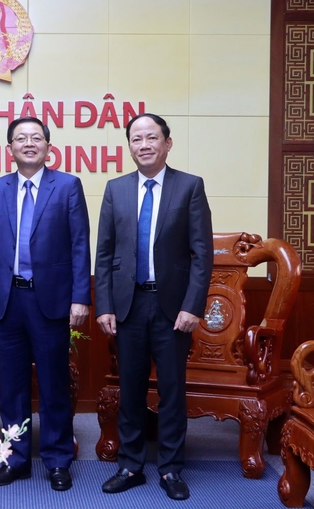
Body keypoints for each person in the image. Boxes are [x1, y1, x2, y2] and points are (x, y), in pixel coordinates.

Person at [94, 113, 213, 501]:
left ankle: (171, 468)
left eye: (151, 138)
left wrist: (193, 305)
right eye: (136, 139)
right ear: (128, 145)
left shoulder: (189, 187)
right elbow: (105, 253)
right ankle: (130, 465)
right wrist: (104, 304)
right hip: (128, 305)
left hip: (172, 307)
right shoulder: (115, 189)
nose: (143, 145)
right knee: (129, 389)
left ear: (167, 143)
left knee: (172, 390)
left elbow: (202, 254)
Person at [0, 116, 91, 492]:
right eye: (20, 138)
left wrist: (80, 298)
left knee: (54, 384)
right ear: (9, 148)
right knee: (12, 386)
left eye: (35, 138)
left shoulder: (68, 186)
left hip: (52, 300)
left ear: (47, 146)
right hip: (8, 300)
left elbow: (79, 246)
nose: (28, 143)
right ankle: (15, 458)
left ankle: (58, 460)